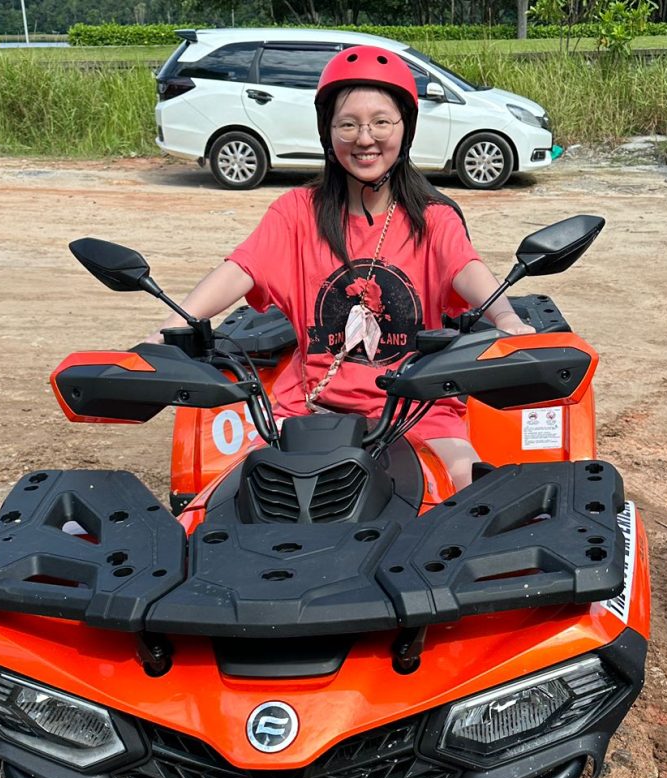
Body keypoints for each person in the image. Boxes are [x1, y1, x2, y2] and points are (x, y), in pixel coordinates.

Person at [150, 45, 535, 489]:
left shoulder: (433, 218)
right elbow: (239, 270)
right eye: (348, 124)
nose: (364, 138)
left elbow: (466, 268)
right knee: (232, 503)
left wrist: (507, 319)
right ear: (327, 132)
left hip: (415, 411)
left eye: (381, 122)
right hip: (304, 412)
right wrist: (165, 330)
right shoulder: (296, 213)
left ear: (404, 128)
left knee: (468, 482)